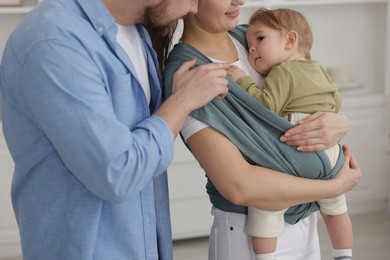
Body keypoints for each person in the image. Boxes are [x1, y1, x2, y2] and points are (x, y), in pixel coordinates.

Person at [0, 0, 232, 259]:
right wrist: (182, 102)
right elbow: (118, 173)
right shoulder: (53, 40)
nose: (193, 8)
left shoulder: (135, 32)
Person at [154, 0, 361, 259]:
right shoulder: (190, 74)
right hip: (248, 232)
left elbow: (313, 90)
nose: (239, 0)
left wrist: (338, 121)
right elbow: (237, 185)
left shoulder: (250, 36)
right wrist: (333, 187)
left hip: (306, 220)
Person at [228, 8, 353, 260]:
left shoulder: (283, 72)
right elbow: (336, 102)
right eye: (250, 45)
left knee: (266, 202)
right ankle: (344, 254)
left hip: (296, 149)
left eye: (260, 39)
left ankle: (265, 257)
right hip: (330, 154)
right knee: (335, 208)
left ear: (290, 40)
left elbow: (264, 107)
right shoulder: (318, 69)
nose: (252, 49)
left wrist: (243, 81)